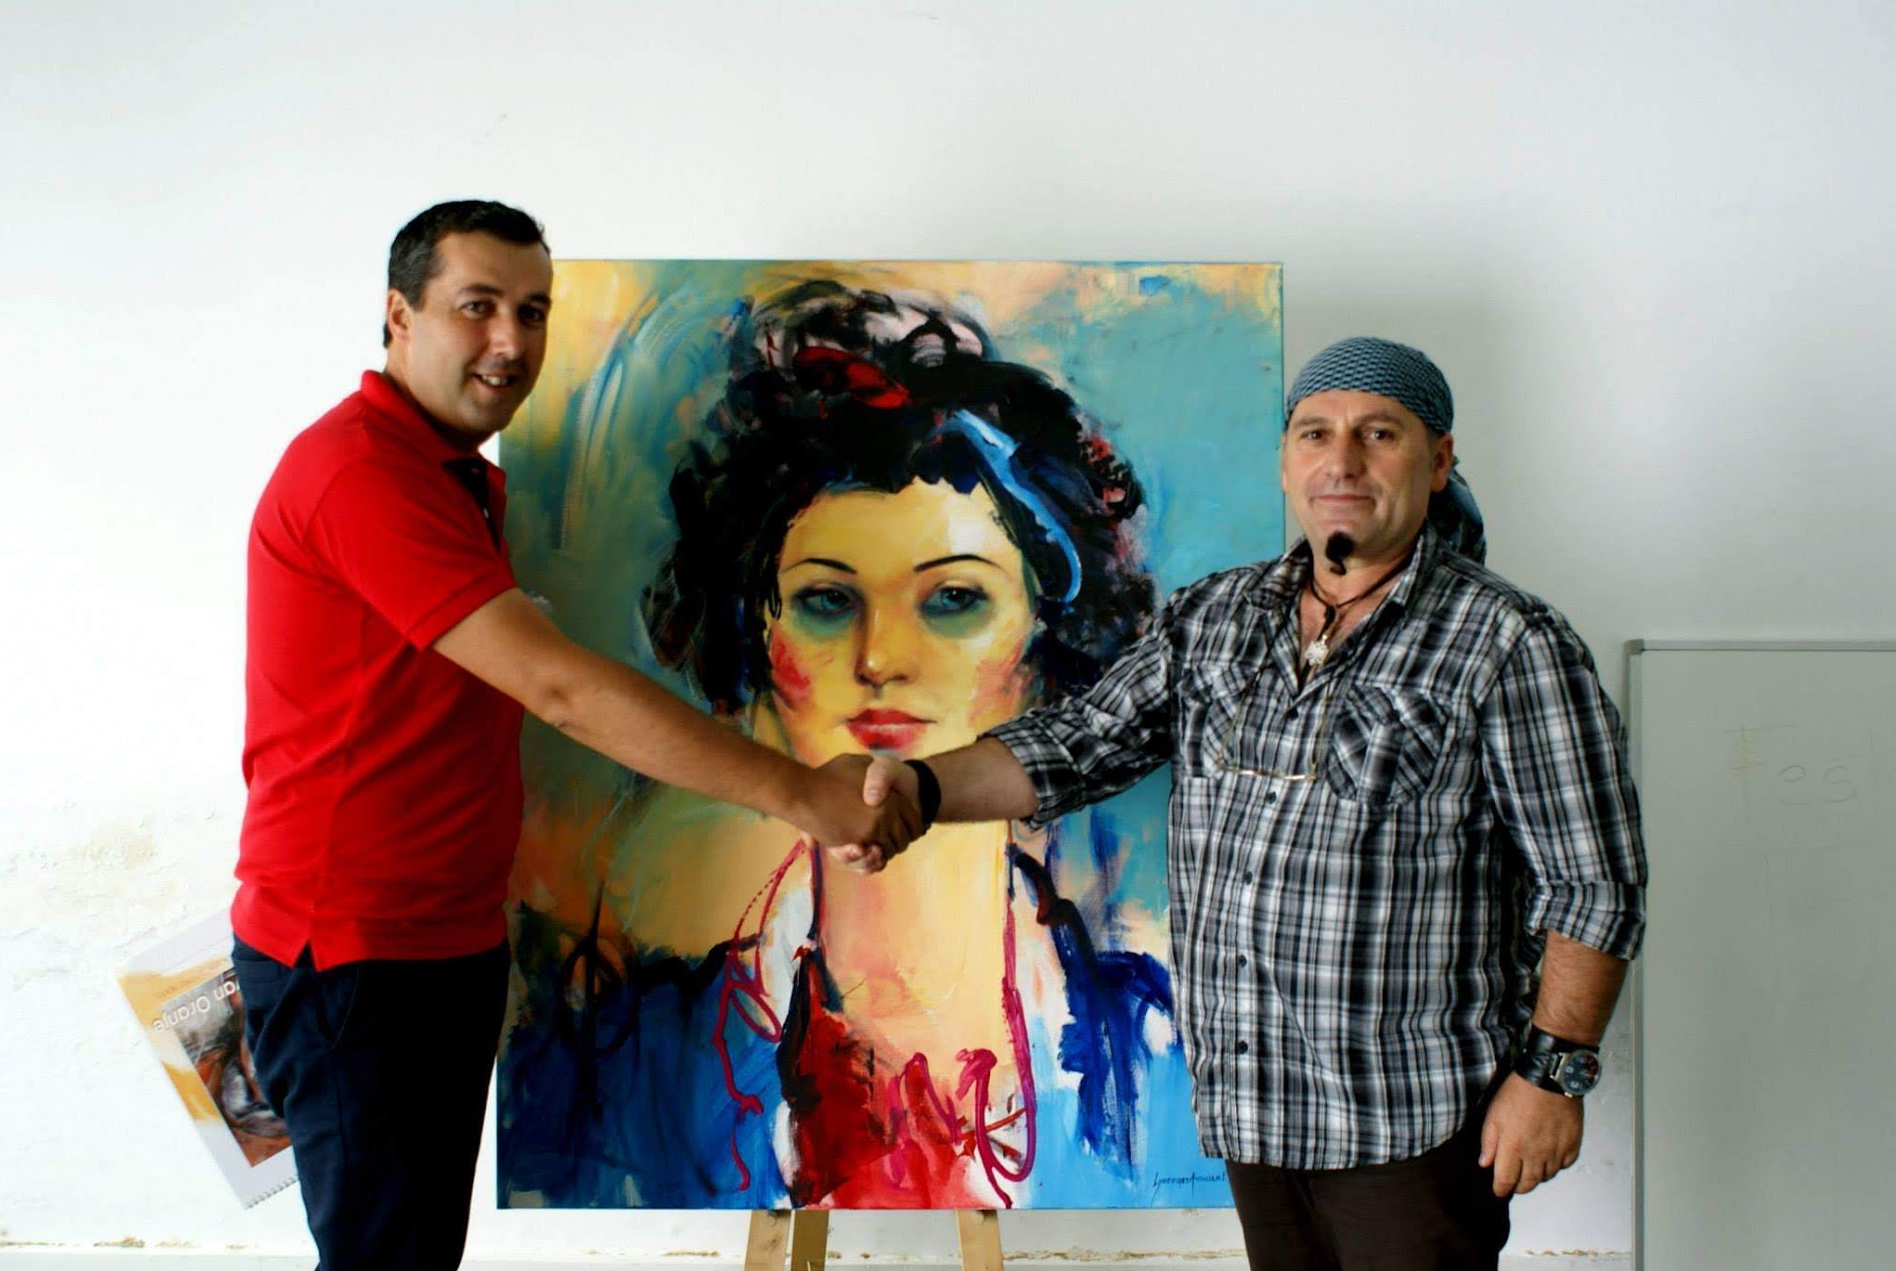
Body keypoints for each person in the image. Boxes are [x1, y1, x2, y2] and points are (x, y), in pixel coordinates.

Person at [837, 336, 1648, 1269]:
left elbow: (1592, 882)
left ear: (1438, 460)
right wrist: (918, 786)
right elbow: (1079, 745)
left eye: (1378, 434)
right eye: (1315, 433)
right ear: (1286, 461)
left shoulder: (1509, 642)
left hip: (1412, 1121)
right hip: (1256, 1111)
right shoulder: (1213, 618)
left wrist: (1552, 1076)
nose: (1341, 461)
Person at [229, 203, 919, 1269]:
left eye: (534, 311)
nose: (510, 341)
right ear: (399, 315)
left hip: (440, 940)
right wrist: (803, 793)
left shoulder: (457, 475)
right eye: (477, 306)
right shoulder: (362, 470)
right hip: (355, 955)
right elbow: (557, 687)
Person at [500, 281, 1190, 1209]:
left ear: (1043, 646)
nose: (880, 660)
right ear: (756, 642)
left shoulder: (1165, 1055)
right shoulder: (618, 1065)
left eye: (954, 600)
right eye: (827, 600)